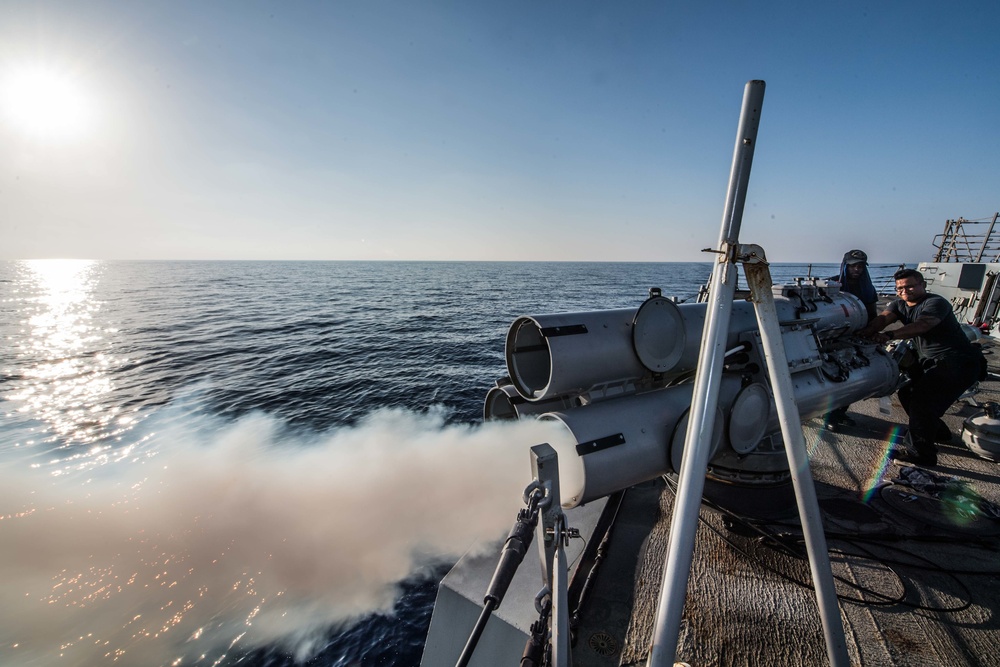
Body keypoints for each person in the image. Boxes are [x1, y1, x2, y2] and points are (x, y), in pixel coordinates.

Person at [859, 268, 984, 466]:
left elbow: (923, 324)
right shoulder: (899, 304)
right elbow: (883, 318)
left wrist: (890, 335)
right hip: (930, 360)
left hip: (958, 361)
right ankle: (937, 432)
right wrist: (866, 331)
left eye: (910, 286)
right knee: (907, 393)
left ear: (922, 285)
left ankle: (921, 454)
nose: (904, 291)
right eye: (900, 288)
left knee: (922, 403)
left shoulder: (935, 303)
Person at [822, 249, 879, 430]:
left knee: (851, 375)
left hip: (856, 336)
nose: (857, 269)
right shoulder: (831, 284)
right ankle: (827, 414)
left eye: (860, 266)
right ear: (845, 266)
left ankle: (839, 412)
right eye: (853, 266)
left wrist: (872, 331)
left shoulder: (867, 287)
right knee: (832, 373)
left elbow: (872, 312)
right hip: (832, 336)